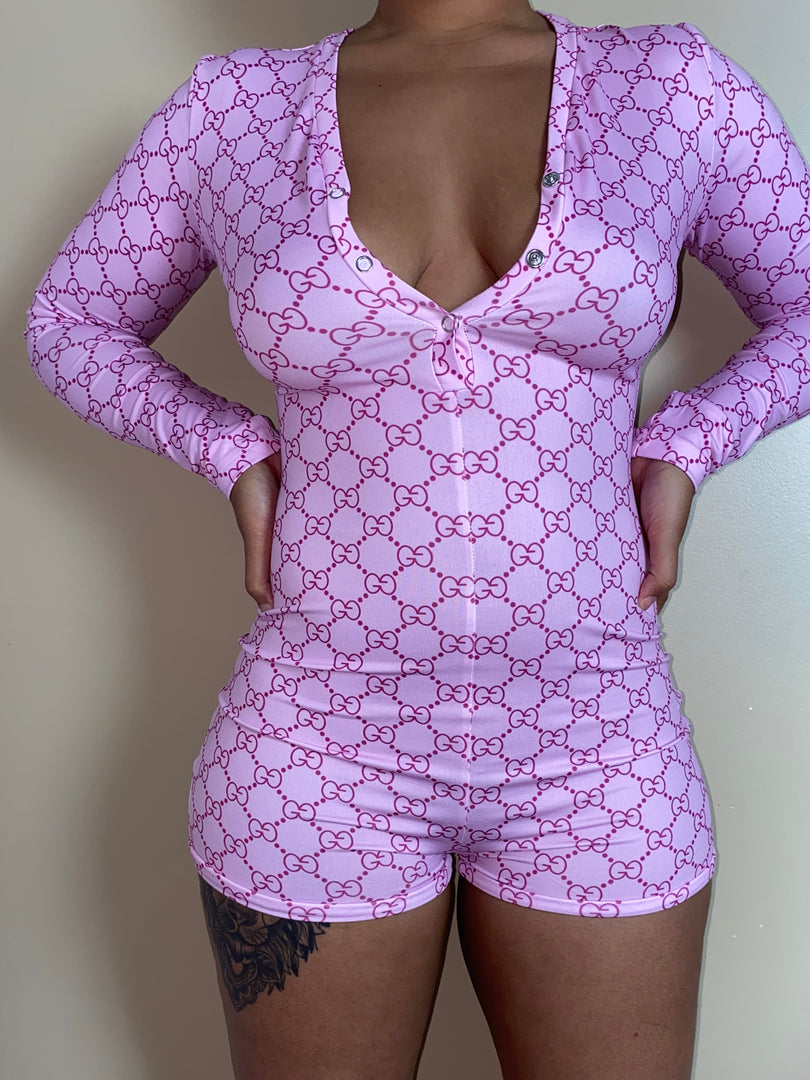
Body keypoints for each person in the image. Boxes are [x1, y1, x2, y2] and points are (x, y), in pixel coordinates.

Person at [23, 1, 810, 1076]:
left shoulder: (673, 91)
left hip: (598, 745)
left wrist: (685, 445)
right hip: (316, 754)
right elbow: (70, 324)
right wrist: (232, 452)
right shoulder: (233, 110)